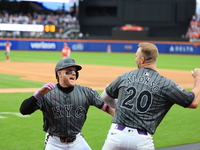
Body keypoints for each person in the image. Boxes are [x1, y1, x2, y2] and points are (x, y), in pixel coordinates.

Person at [100, 42, 200, 150]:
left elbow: (104, 98)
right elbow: (193, 102)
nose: (135, 59)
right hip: (141, 141)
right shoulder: (165, 84)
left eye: (136, 57)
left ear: (142, 60)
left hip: (116, 136)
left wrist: (118, 106)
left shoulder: (125, 76)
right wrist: (198, 78)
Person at [20, 58, 115, 150]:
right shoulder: (46, 93)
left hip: (77, 140)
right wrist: (38, 95)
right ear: (59, 73)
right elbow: (24, 110)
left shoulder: (86, 92)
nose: (73, 73)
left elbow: (107, 107)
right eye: (69, 71)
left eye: (75, 71)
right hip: (54, 142)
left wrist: (121, 119)